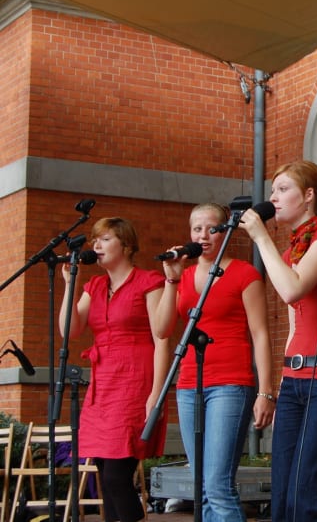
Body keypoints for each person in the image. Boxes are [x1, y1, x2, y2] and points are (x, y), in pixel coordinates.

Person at [239, 160, 317, 522]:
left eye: (282, 189)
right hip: (295, 381)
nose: (273, 197)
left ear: (308, 196)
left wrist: (261, 237)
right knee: (284, 502)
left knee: (308, 500)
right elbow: (293, 325)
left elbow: (292, 290)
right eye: (273, 190)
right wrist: (275, 387)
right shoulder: (292, 252)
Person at [154, 203, 274, 522]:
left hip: (231, 384)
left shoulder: (245, 274)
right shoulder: (186, 275)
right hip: (190, 383)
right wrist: (171, 280)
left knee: (218, 485)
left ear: (226, 232)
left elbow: (260, 334)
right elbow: (163, 330)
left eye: (211, 228)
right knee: (202, 488)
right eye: (196, 229)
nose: (203, 235)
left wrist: (266, 391)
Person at [58, 217, 169, 522]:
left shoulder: (148, 282)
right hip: (103, 383)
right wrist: (71, 285)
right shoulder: (94, 285)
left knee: (117, 477)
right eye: (95, 240)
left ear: (127, 245)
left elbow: (162, 340)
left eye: (105, 239)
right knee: (104, 472)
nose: (96, 245)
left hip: (135, 381)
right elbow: (70, 330)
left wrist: (156, 395)